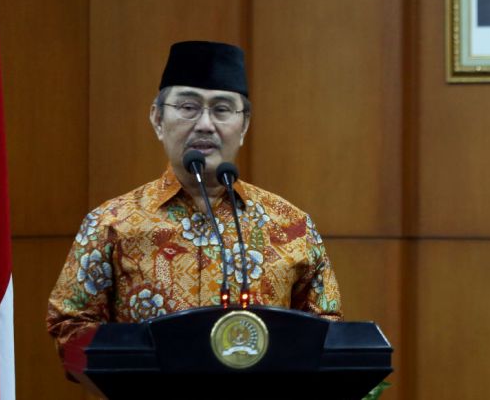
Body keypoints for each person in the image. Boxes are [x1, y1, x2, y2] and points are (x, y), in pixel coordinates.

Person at [46, 41, 341, 354]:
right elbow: (69, 323)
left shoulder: (291, 226)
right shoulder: (111, 224)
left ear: (244, 126)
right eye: (188, 108)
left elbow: (327, 329)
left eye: (222, 110)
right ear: (157, 119)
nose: (204, 124)